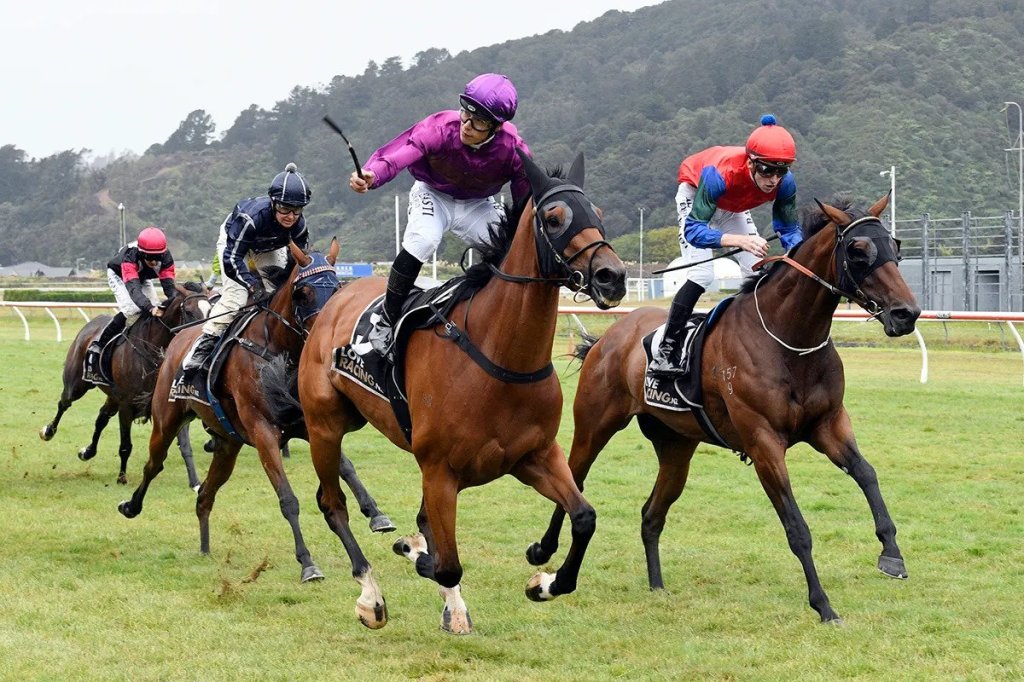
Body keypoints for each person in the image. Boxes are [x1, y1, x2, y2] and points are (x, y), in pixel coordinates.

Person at [348, 72, 532, 357]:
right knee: (424, 239)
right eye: (466, 113)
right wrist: (373, 176)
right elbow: (400, 154)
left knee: (510, 251)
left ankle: (495, 323)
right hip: (432, 193)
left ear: (496, 127)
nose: (467, 126)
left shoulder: (514, 150)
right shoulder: (440, 127)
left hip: (478, 204)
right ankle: (385, 319)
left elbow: (524, 202)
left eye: (479, 121)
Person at [648, 114, 804, 376]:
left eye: (782, 170)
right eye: (767, 169)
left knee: (757, 270)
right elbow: (695, 231)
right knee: (702, 274)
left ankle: (753, 339)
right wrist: (740, 240)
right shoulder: (719, 173)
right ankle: (667, 350)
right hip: (697, 197)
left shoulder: (785, 184)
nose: (774, 179)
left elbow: (788, 229)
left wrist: (798, 257)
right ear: (751, 162)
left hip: (734, 209)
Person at [176, 163, 311, 387]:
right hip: (235, 244)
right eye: (285, 208)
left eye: (297, 210)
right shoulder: (251, 218)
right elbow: (232, 259)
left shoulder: (299, 227)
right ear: (274, 202)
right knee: (235, 298)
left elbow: (297, 263)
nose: (291, 216)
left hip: (269, 247)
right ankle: (198, 353)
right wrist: (250, 284)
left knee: (277, 293)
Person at [84, 226, 177, 382]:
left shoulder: (166, 257)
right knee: (132, 309)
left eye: (157, 258)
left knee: (157, 306)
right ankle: (99, 345)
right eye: (150, 258)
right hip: (119, 275)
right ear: (141, 253)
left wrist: (173, 304)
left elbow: (170, 288)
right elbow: (134, 290)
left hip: (142, 277)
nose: (154, 262)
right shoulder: (130, 256)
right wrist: (150, 308)